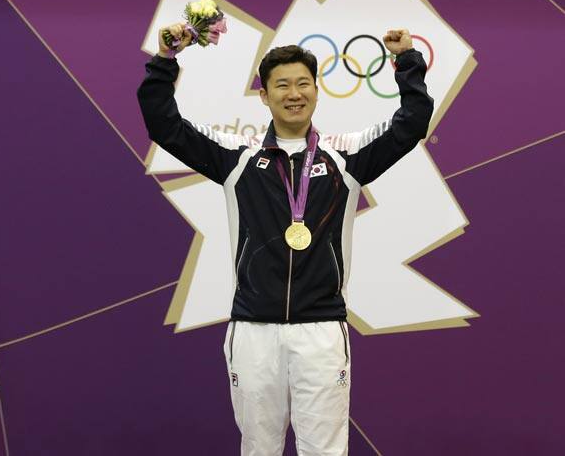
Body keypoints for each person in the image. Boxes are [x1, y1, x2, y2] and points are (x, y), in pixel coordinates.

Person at [137, 27, 432, 455]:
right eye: (282, 85)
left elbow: (412, 124)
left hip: (321, 330)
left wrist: (406, 61)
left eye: (302, 83)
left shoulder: (344, 156)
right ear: (265, 96)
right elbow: (164, 124)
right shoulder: (236, 156)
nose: (294, 94)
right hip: (254, 329)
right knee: (259, 449)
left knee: (325, 451)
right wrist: (165, 59)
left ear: (316, 90)